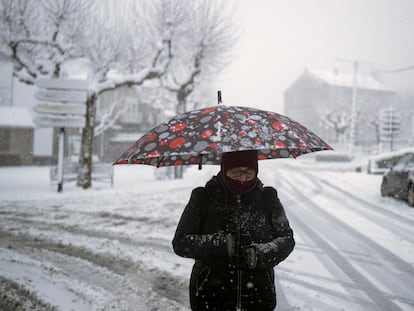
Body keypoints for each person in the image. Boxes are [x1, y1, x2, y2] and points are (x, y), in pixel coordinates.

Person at [172, 150, 295, 311]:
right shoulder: (203, 197)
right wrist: (220, 245)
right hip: (211, 295)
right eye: (236, 172)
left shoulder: (268, 198)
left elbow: (286, 239)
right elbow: (181, 242)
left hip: (258, 295)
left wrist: (258, 255)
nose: (242, 178)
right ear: (224, 170)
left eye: (248, 172)